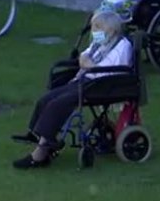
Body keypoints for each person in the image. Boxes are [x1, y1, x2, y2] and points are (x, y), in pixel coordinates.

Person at [10, 10, 133, 169]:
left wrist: (88, 65)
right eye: (93, 27)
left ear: (111, 29)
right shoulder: (101, 43)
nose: (94, 31)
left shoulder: (122, 46)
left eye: (97, 27)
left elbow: (110, 70)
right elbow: (84, 56)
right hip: (86, 80)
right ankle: (38, 136)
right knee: (47, 99)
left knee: (58, 104)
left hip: (102, 85)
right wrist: (86, 63)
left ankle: (40, 153)